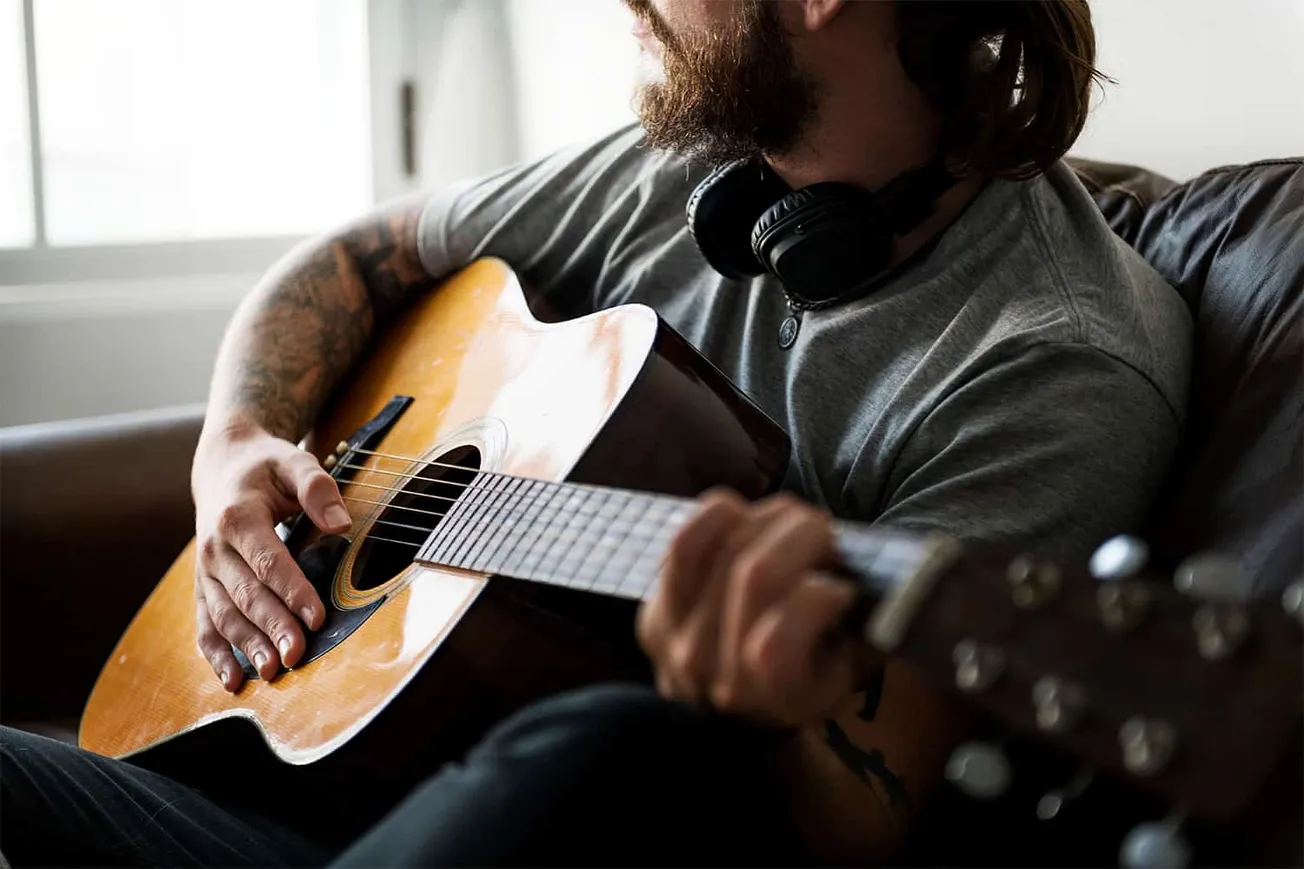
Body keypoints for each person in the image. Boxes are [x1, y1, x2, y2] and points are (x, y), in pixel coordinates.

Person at [0, 0, 1193, 866]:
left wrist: (756, 714)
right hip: (296, 758)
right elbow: (363, 253)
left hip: (479, 814)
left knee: (621, 748)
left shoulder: (1054, 362)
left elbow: (869, 807)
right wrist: (234, 446)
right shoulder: (685, 167)